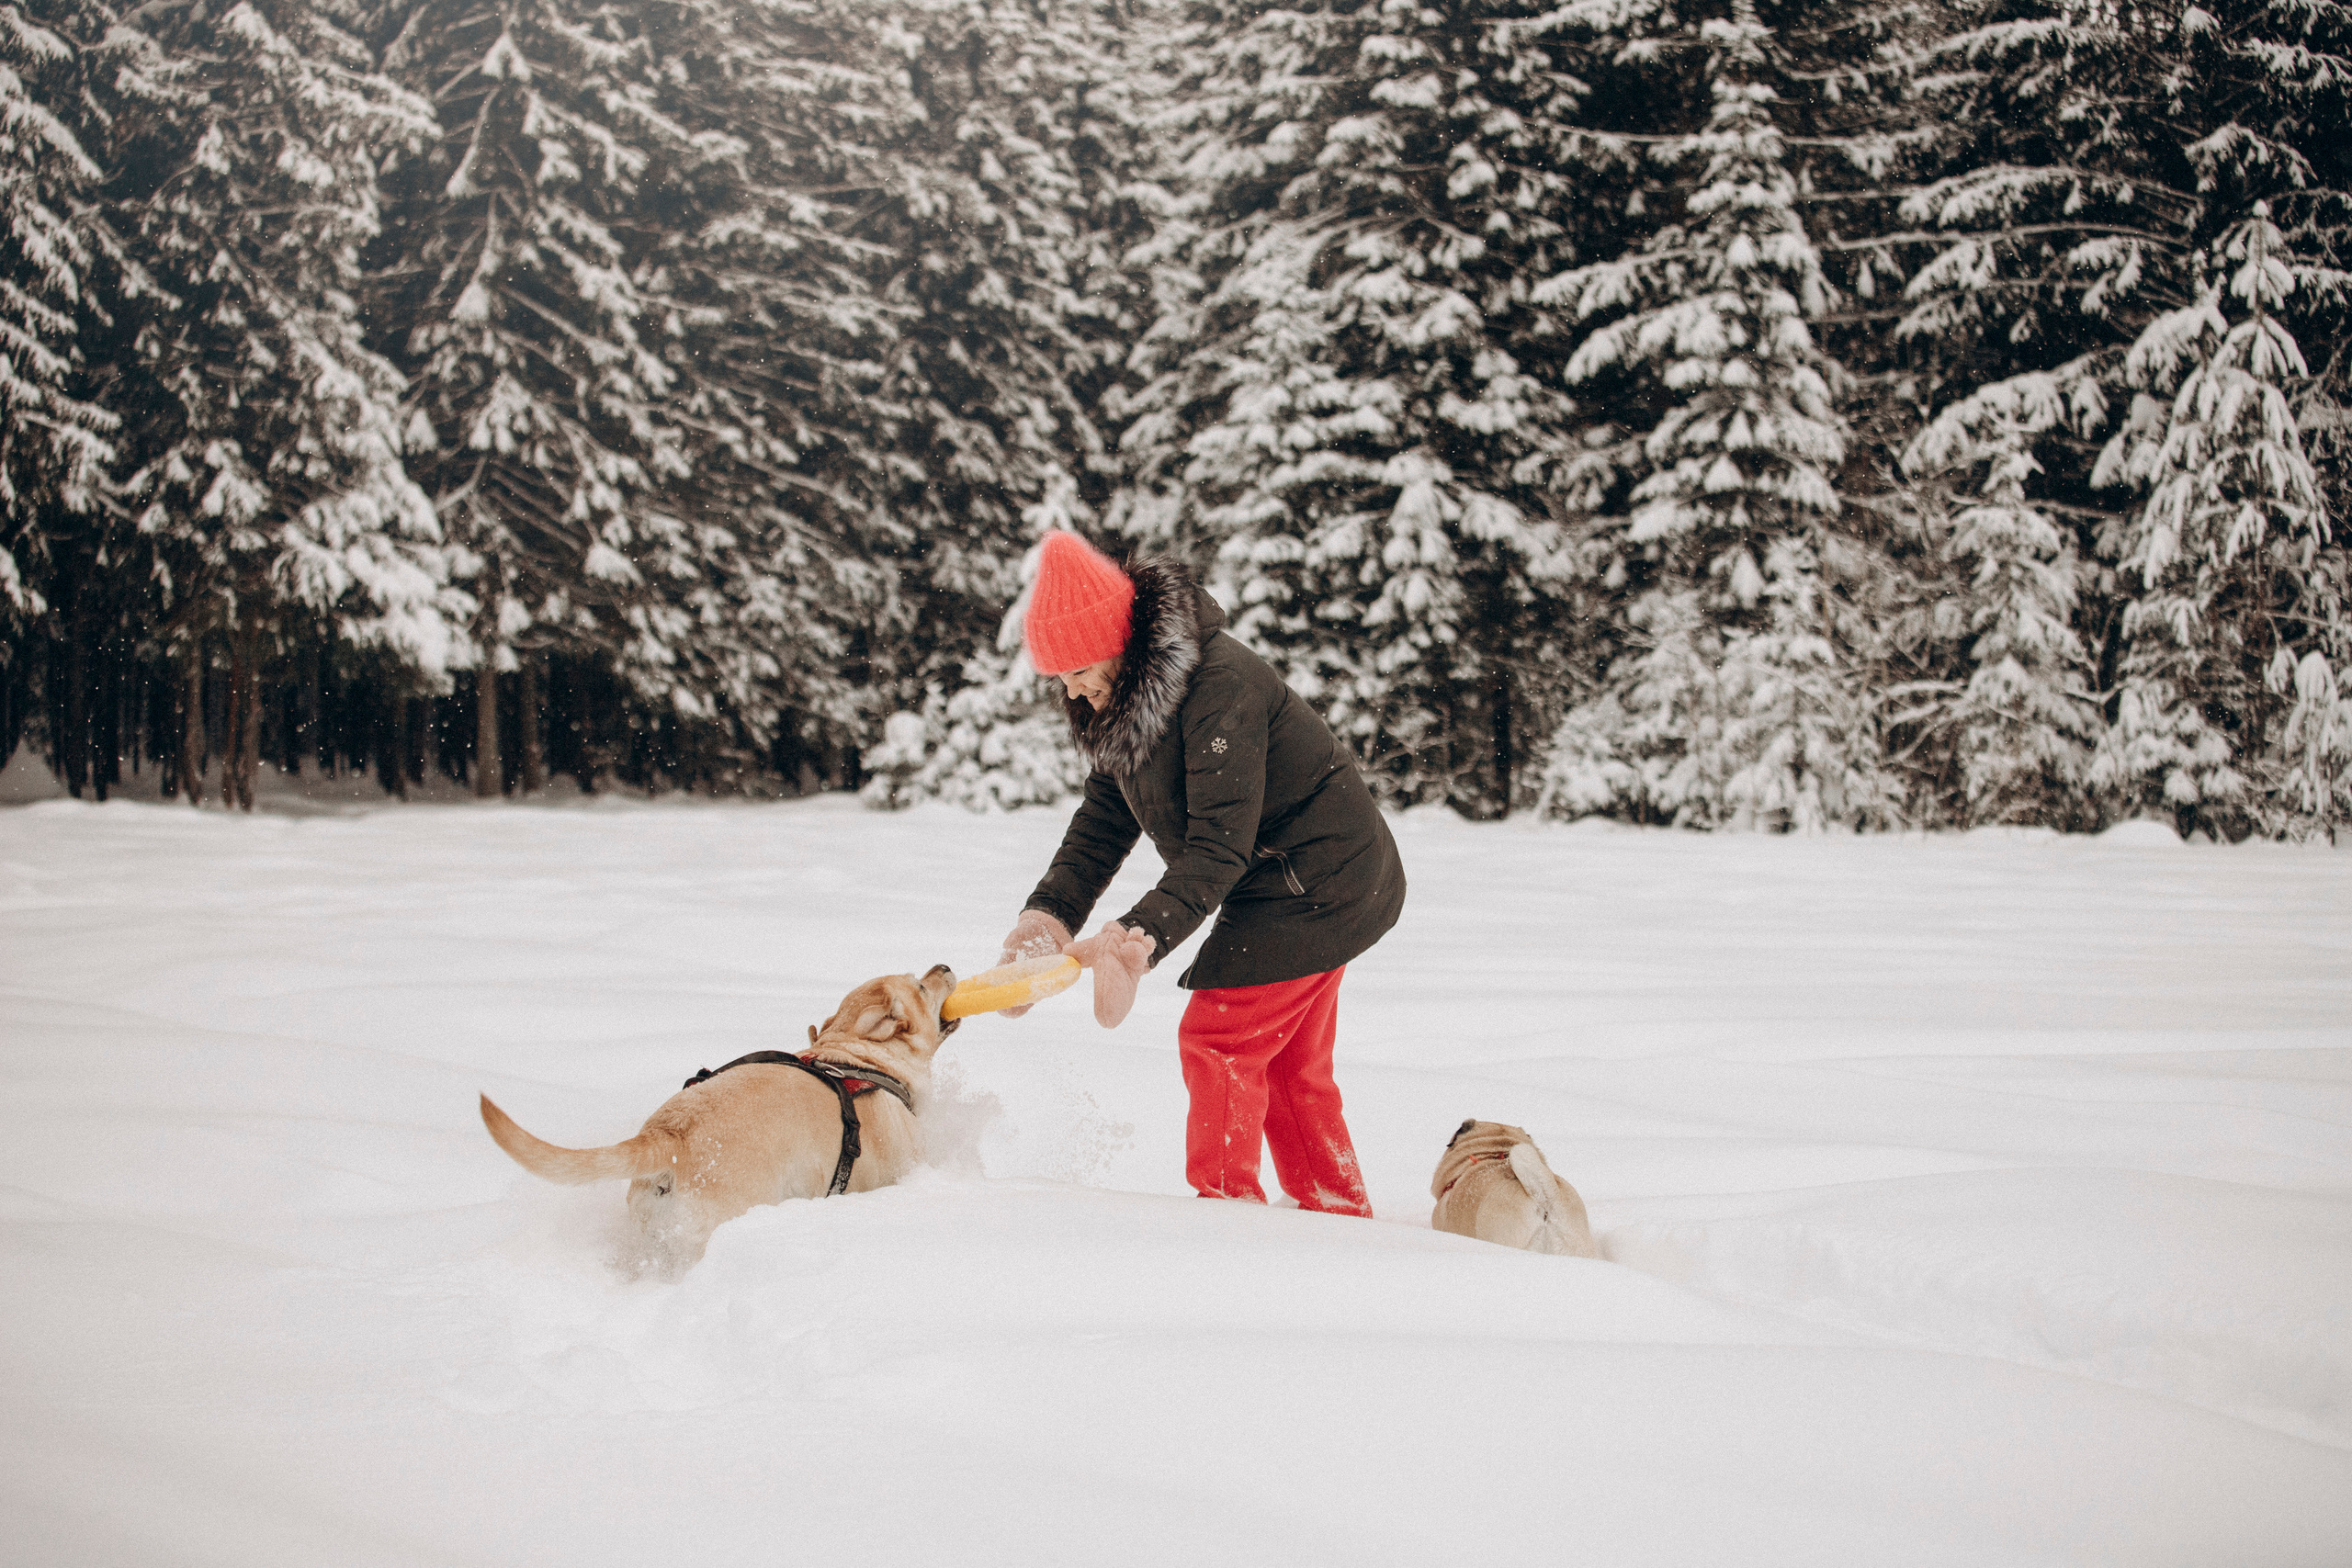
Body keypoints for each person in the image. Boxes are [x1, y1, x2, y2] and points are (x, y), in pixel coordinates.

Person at [998, 530, 1406, 1215]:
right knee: (1287, 1064)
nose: (1070, 689)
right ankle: (1339, 1220)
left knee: (1218, 1040)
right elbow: (1104, 820)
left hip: (1317, 879)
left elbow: (1220, 848)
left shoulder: (1221, 686)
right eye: (1058, 676)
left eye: (1076, 668)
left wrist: (1136, 938)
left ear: (1117, 640)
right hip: (1293, 880)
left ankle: (1225, 1223)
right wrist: (1047, 917)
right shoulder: (1120, 701)